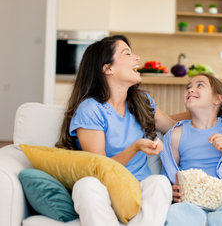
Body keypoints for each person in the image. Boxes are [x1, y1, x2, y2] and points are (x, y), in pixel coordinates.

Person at [56, 35, 175, 226]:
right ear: (108, 68)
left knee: (160, 183)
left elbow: (172, 126)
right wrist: (135, 147)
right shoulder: (91, 109)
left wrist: (205, 110)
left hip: (138, 189)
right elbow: (101, 167)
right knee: (86, 186)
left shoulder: (141, 102)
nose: (136, 58)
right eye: (127, 53)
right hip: (104, 191)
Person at [159, 73, 222, 226]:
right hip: (191, 202)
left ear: (217, 99)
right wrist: (172, 191)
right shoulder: (175, 135)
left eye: (199, 85)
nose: (191, 89)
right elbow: (169, 180)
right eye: (188, 87)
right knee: (174, 214)